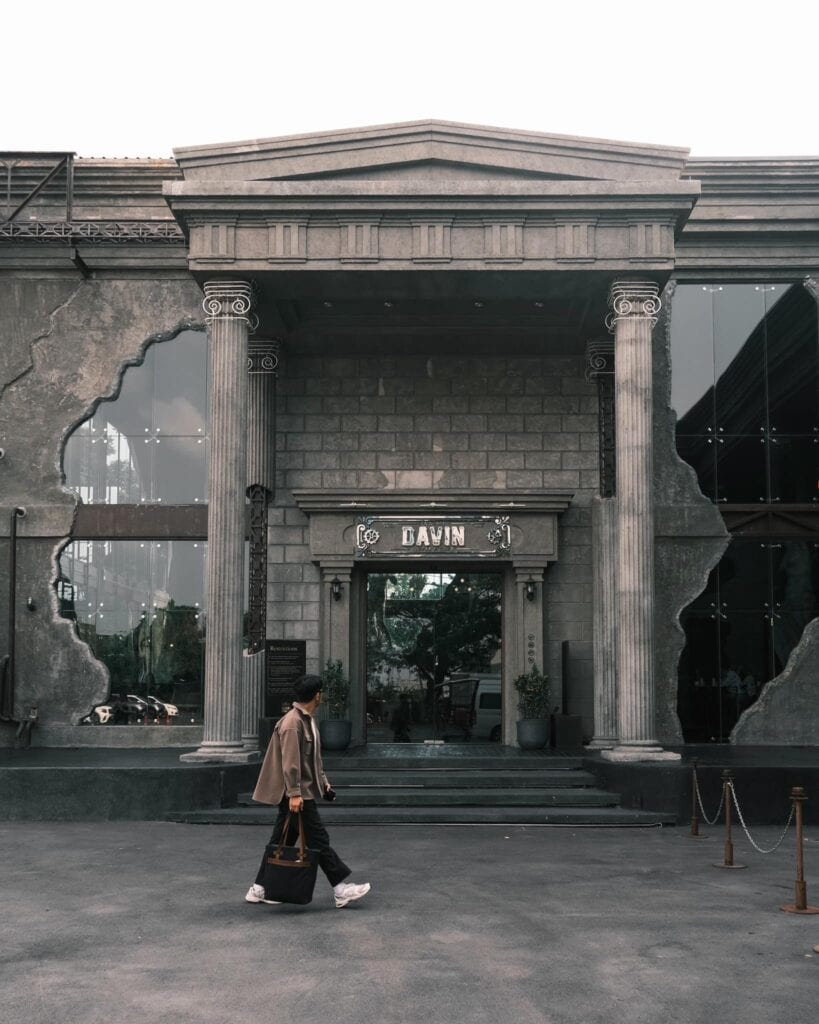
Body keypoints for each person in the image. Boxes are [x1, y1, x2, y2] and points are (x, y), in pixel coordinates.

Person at [245, 674, 371, 909]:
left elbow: (312, 759)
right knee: (318, 839)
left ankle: (259, 888)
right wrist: (294, 794)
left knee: (282, 840)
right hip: (296, 794)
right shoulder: (293, 723)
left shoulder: (307, 720)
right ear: (317, 695)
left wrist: (323, 782)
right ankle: (341, 889)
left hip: (301, 791)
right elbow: (291, 764)